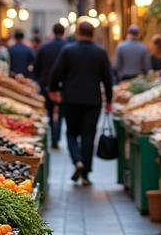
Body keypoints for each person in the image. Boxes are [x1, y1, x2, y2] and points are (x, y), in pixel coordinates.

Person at [48, 20, 113, 185]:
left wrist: (53, 90)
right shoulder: (101, 53)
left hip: (71, 98)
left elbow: (56, 73)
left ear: (77, 33)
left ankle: (77, 160)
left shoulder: (68, 51)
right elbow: (107, 78)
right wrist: (109, 100)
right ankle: (86, 174)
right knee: (89, 135)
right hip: (93, 100)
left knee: (71, 133)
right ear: (93, 34)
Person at [35, 22, 67, 148]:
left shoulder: (44, 47)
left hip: (46, 84)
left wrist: (41, 79)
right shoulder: (68, 47)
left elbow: (36, 68)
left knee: (48, 111)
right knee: (61, 113)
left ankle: (50, 135)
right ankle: (56, 137)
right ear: (63, 32)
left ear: (53, 32)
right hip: (63, 86)